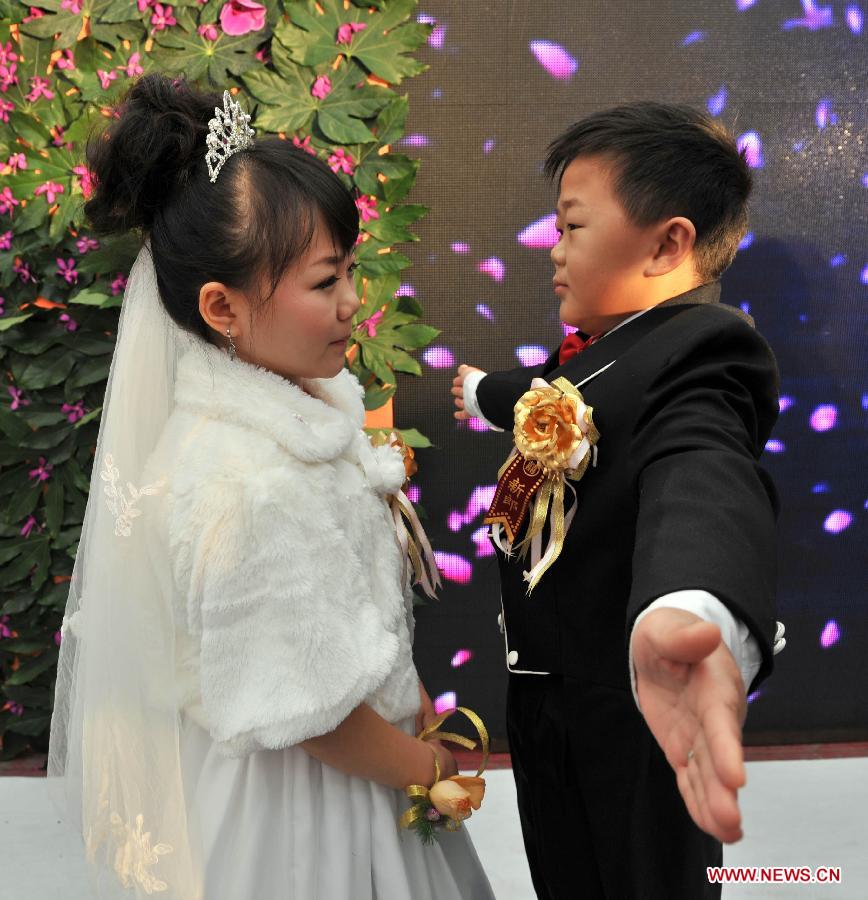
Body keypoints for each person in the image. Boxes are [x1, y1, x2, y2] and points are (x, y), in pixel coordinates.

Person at [48, 74, 495, 900]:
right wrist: (429, 766)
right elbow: (307, 714)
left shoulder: (298, 422)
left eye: (349, 272)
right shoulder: (243, 482)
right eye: (326, 283)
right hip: (307, 822)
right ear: (223, 308)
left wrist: (419, 718)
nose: (354, 302)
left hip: (361, 769)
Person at [452, 102, 786, 899]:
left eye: (571, 227)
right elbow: (539, 398)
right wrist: (478, 393)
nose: (553, 252)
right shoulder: (605, 354)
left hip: (633, 714)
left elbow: (701, 475)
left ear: (668, 242)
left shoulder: (701, 352)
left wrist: (689, 599)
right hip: (547, 700)